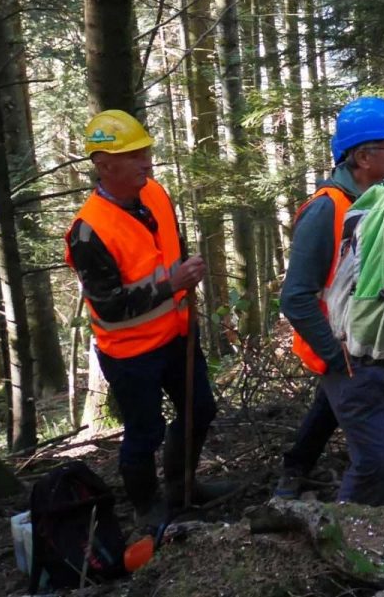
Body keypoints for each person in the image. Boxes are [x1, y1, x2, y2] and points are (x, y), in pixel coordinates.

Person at [65, 110, 233, 523]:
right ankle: (147, 510)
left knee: (200, 410)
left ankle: (183, 488)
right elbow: (109, 304)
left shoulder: (155, 193)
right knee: (145, 432)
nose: (146, 162)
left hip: (177, 335)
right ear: (104, 165)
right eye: (134, 155)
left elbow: (169, 247)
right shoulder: (88, 232)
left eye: (146, 152)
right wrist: (171, 284)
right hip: (130, 353)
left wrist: (184, 278)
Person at [276, 97, 384, 503]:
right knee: (376, 463)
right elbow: (296, 298)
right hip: (350, 358)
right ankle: (340, 536)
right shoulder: (326, 210)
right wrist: (338, 359)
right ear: (361, 155)